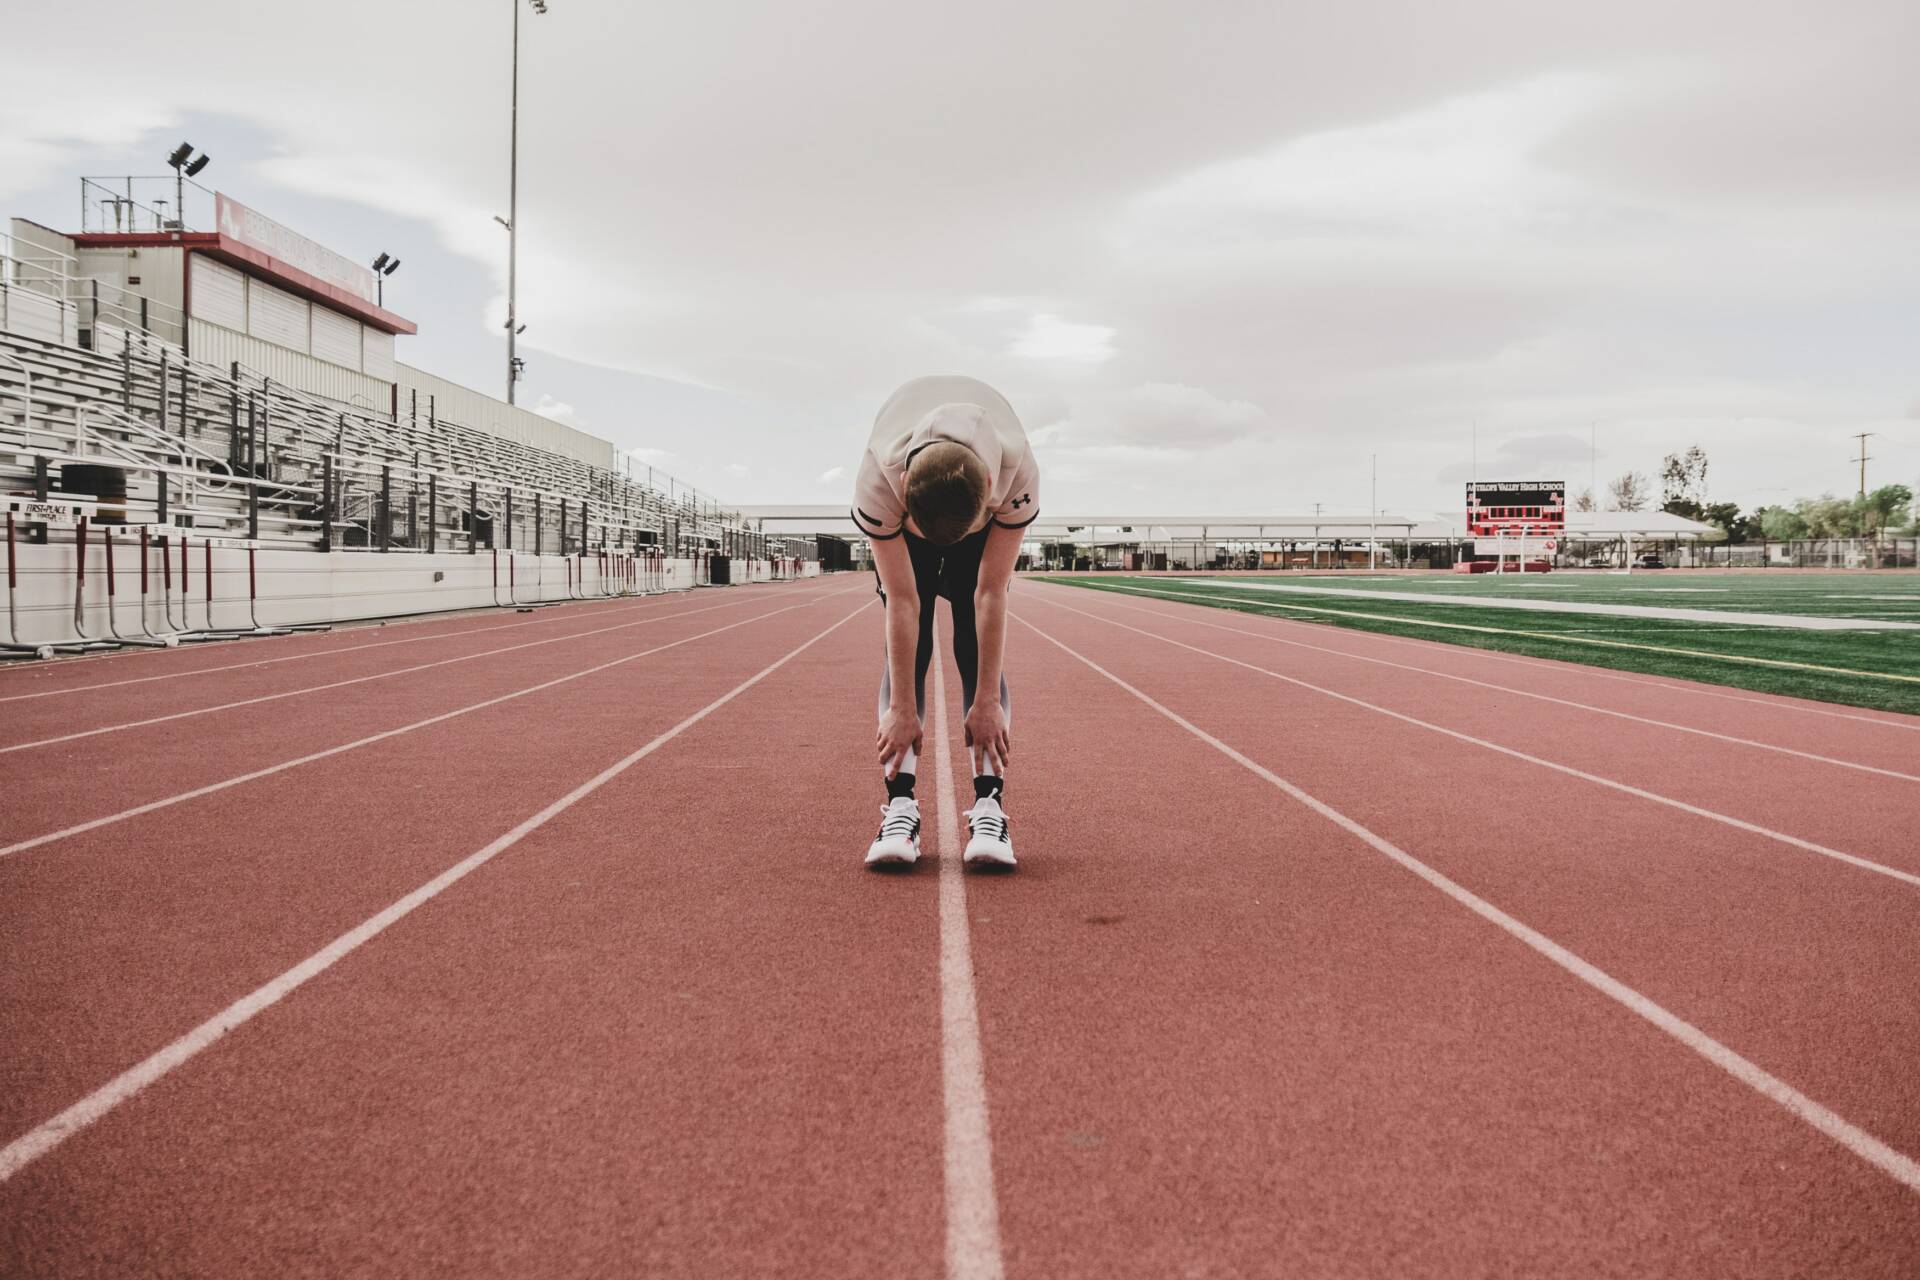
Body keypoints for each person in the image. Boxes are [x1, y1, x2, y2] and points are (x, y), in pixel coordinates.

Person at [852, 375, 1039, 868]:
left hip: (977, 523)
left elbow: (990, 593)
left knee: (974, 650)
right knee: (907, 659)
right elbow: (904, 600)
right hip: (910, 524)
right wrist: (903, 708)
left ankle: (989, 806)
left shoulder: (1018, 478)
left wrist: (984, 703)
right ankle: (900, 808)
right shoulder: (878, 481)